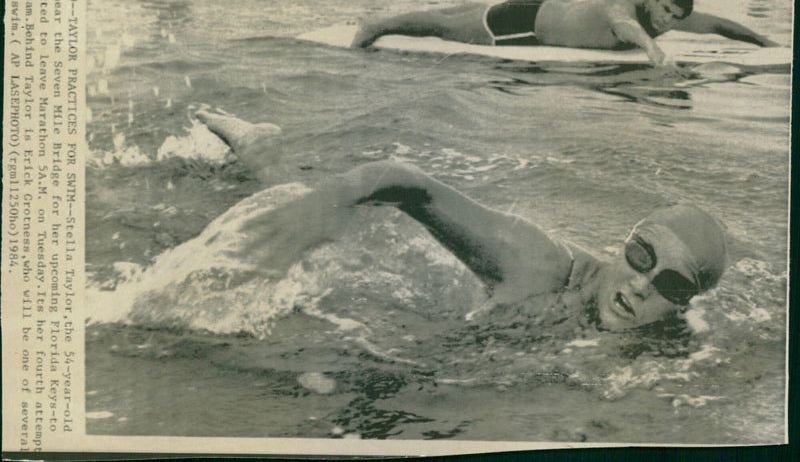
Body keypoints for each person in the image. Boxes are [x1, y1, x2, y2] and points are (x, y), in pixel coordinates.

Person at [196, 109, 727, 332]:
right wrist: (322, 208)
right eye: (641, 257)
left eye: (671, 284)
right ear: (624, 243)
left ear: (685, 305)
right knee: (310, 228)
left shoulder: (672, 340)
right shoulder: (537, 262)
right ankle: (262, 149)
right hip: (401, 289)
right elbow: (407, 183)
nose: (640, 285)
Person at [350, 0, 780, 66]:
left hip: (553, 1)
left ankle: (384, 21)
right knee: (443, 26)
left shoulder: (664, 13)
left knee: (456, 17)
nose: (668, 22)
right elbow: (622, 25)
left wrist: (763, 40)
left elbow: (718, 24)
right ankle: (378, 25)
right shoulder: (625, 9)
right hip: (527, 21)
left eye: (675, 18)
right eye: (665, 11)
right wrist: (652, 51)